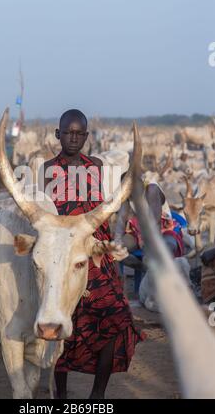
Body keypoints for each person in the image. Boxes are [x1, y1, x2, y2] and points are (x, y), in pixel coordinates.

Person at [38, 109, 144, 399]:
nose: (73, 137)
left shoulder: (96, 166)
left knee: (115, 318)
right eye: (68, 132)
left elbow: (106, 210)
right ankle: (60, 394)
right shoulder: (46, 170)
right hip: (64, 260)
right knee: (60, 324)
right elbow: (44, 218)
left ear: (86, 136)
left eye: (79, 133)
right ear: (58, 134)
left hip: (98, 258)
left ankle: (97, 396)